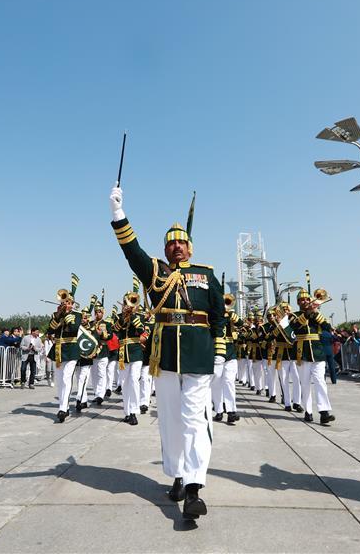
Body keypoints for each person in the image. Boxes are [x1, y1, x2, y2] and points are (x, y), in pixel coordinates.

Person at [110, 183, 226, 520]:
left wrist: (218, 351)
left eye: (181, 242)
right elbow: (132, 251)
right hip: (165, 357)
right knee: (171, 422)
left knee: (195, 419)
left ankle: (193, 489)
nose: (176, 246)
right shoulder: (156, 272)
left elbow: (218, 315)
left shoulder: (206, 274)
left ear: (190, 248)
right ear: (166, 248)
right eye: (171, 242)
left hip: (200, 355)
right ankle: (177, 475)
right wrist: (118, 213)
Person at [288, 289, 335, 424]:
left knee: (320, 381)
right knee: (305, 383)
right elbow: (294, 327)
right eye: (302, 300)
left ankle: (324, 412)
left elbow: (327, 327)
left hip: (317, 351)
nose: (306, 302)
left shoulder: (316, 314)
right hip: (302, 351)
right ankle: (308, 411)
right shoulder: (294, 315)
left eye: (307, 299)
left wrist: (314, 313)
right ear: (298, 302)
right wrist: (307, 314)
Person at [47, 282, 82, 423]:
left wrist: (67, 315)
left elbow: (74, 328)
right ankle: (65, 406)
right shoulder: (57, 315)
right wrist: (58, 316)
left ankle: (62, 409)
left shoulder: (77, 315)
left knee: (67, 378)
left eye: (68, 302)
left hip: (71, 349)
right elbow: (51, 330)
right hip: (58, 350)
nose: (66, 303)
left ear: (72, 303)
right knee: (60, 381)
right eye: (64, 301)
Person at [113, 290, 147, 425]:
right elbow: (114, 330)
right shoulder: (118, 316)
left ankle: (134, 411)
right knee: (125, 383)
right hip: (123, 353)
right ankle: (127, 411)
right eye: (127, 302)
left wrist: (133, 317)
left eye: (131, 302)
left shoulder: (140, 316)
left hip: (136, 352)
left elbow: (142, 332)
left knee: (134, 380)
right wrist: (123, 318)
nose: (129, 305)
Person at [212, 294, 242, 423]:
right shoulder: (213, 315)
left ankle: (231, 411)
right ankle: (219, 410)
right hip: (217, 350)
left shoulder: (230, 315)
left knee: (229, 381)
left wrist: (229, 314)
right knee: (216, 382)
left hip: (230, 351)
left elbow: (240, 323)